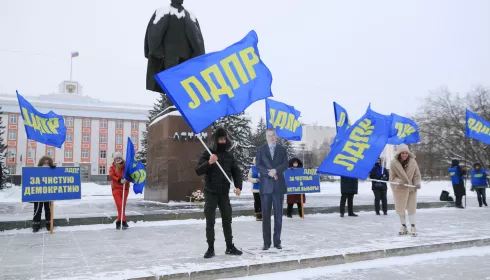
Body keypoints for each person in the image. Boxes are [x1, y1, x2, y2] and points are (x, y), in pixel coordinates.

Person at [195, 127, 243, 259]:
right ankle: (210, 248)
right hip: (211, 192)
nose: (223, 141)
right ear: (216, 140)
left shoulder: (229, 155)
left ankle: (229, 246)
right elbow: (198, 170)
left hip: (224, 193)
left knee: (227, 219)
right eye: (220, 139)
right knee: (210, 221)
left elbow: (236, 172)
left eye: (224, 139)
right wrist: (209, 162)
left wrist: (238, 186)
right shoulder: (208, 153)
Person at [256, 128, 289, 250]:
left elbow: (285, 164)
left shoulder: (282, 150)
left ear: (276, 136)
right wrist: (268, 173)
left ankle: (277, 241)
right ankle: (266, 242)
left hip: (278, 187)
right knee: (265, 217)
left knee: (278, 216)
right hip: (266, 187)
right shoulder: (261, 150)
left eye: (273, 135)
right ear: (266, 137)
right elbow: (258, 165)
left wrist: (276, 171)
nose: (271, 137)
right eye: (269, 135)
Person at [390, 144, 421, 237]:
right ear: (399, 154)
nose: (404, 155)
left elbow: (417, 175)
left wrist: (417, 183)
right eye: (402, 153)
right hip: (400, 189)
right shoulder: (393, 163)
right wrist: (399, 182)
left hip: (411, 189)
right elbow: (392, 177)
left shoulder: (413, 162)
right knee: (401, 209)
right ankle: (404, 226)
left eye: (406, 153)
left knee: (412, 208)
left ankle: (413, 227)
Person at [32, 156, 56, 233]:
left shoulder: (52, 170)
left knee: (48, 209)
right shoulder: (37, 170)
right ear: (41, 163)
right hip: (39, 193)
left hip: (48, 193)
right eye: (44, 163)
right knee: (38, 209)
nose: (46, 164)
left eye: (48, 163)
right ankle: (36, 224)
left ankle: (49, 223)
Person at [109, 152, 130, 230]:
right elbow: (111, 176)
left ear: (121, 158)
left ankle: (119, 222)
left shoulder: (126, 166)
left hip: (125, 189)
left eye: (119, 158)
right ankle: (123, 221)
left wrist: (126, 180)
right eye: (116, 158)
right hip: (116, 189)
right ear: (114, 159)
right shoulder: (112, 167)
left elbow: (129, 175)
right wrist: (119, 180)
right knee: (120, 205)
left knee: (123, 206)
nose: (118, 159)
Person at [248, 157, 262, 221]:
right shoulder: (252, 168)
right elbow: (249, 178)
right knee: (257, 202)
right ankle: (258, 214)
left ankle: (263, 213)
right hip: (255, 188)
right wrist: (256, 180)